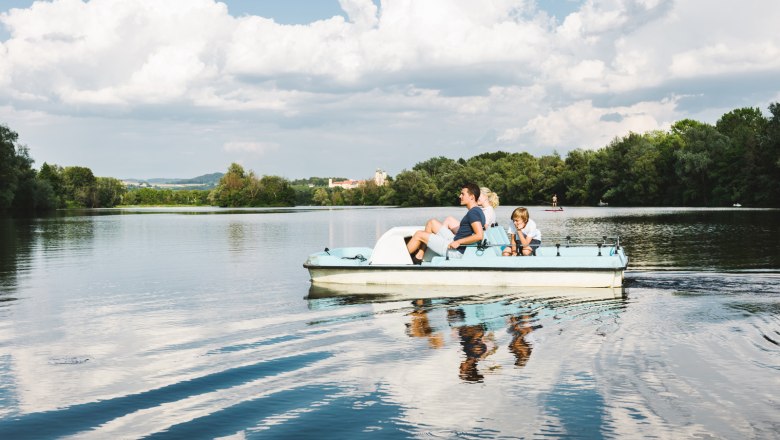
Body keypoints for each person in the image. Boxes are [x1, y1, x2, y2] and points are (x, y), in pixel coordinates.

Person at [407, 183, 485, 262]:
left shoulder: (473, 213)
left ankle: (400, 258)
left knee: (418, 234)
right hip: (454, 240)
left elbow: (479, 235)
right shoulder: (478, 210)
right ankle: (420, 254)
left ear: (472, 197)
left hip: (456, 250)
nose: (460, 196)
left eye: (462, 194)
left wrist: (458, 242)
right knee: (432, 222)